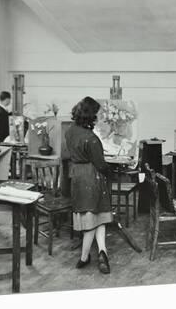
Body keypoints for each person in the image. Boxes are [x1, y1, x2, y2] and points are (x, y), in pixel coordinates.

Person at [65, 96, 113, 274]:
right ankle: (86, 257)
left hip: (77, 176)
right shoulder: (91, 138)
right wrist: (110, 172)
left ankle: (100, 253)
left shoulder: (70, 131)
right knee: (92, 219)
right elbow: (100, 164)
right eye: (97, 114)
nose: (98, 117)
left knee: (95, 216)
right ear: (90, 115)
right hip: (92, 178)